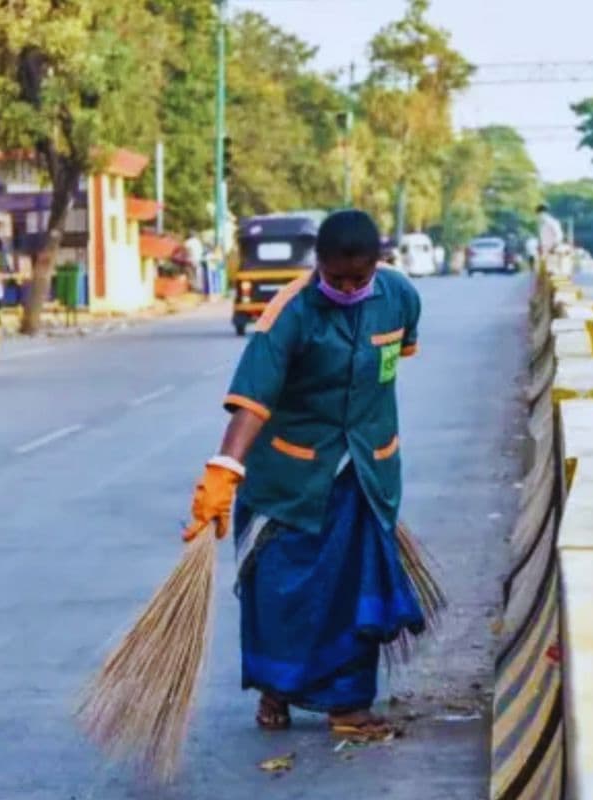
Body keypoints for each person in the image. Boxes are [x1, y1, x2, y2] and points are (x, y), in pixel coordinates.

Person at [183, 209, 427, 733]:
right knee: (282, 592)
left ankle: (349, 705)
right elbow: (253, 399)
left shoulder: (401, 298)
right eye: (335, 278)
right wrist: (225, 467)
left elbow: (393, 362)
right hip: (290, 479)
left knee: (353, 592)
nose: (347, 288)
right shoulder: (290, 311)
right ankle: (276, 690)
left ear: (378, 264)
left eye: (359, 278)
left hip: (364, 473)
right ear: (318, 263)